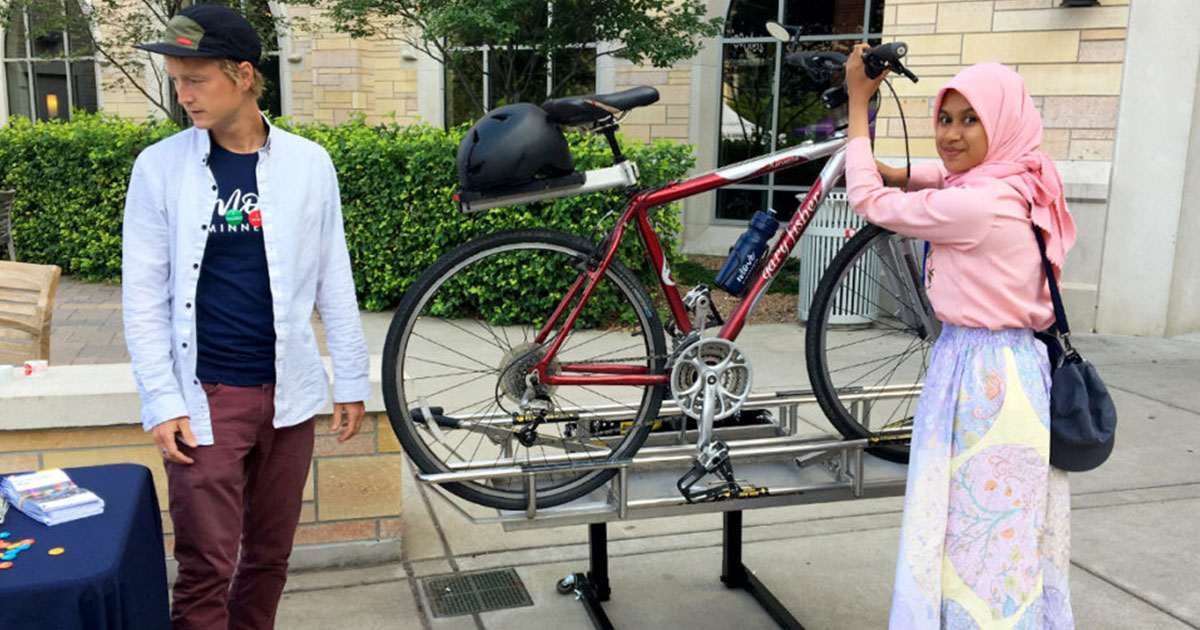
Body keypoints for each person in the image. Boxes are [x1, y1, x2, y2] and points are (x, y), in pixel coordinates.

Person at [121, 4, 370, 628]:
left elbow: (332, 277)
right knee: (206, 566)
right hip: (208, 397)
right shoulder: (160, 168)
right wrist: (161, 398)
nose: (184, 96)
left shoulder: (309, 164)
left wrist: (352, 381)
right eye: (177, 81)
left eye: (195, 79)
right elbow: (143, 294)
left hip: (290, 396)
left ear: (242, 74)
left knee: (269, 558)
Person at [843, 48, 1077, 629]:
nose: (951, 134)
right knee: (1004, 537)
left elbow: (869, 202)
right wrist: (906, 169)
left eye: (971, 119)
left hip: (982, 380)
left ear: (1000, 125)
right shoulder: (1024, 177)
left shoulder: (977, 205)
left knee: (973, 536)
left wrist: (857, 105)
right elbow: (952, 173)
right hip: (1017, 371)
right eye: (945, 118)